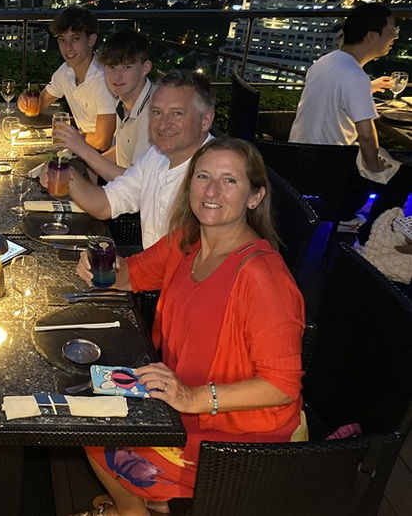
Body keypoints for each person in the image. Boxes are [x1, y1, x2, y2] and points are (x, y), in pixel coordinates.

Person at [72, 138, 305, 516]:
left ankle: (131, 510)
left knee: (98, 432)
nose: (212, 191)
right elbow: (131, 275)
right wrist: (103, 270)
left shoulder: (262, 277)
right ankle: (134, 506)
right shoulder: (187, 240)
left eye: (229, 181)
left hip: (234, 440)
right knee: (87, 415)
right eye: (203, 176)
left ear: (255, 196)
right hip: (179, 401)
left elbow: (281, 386)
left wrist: (194, 398)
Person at [52, 70, 215, 250]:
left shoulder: (216, 176)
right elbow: (105, 204)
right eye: (156, 112)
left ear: (205, 120)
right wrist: (68, 177)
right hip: (151, 268)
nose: (163, 124)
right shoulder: (156, 155)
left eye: (177, 113)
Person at [289, 2, 409, 243]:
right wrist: (374, 167)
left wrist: (369, 88)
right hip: (329, 170)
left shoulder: (328, 61)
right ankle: (371, 238)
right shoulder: (355, 76)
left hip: (300, 158)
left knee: (388, 163)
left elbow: (334, 93)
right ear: (372, 36)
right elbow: (366, 135)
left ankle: (348, 216)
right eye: (391, 31)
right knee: (403, 177)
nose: (394, 37)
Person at [54, 30, 155, 180]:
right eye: (111, 67)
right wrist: (67, 168)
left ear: (145, 68)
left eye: (127, 67)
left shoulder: (154, 114)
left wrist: (81, 148)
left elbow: (136, 183)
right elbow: (123, 149)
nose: (117, 76)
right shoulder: (125, 101)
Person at [19, 5, 117, 151]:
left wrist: (68, 137)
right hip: (84, 149)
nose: (68, 48)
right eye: (62, 40)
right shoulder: (65, 72)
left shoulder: (103, 79)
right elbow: (38, 106)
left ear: (91, 39)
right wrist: (27, 102)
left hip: (112, 159)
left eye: (75, 39)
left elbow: (102, 141)